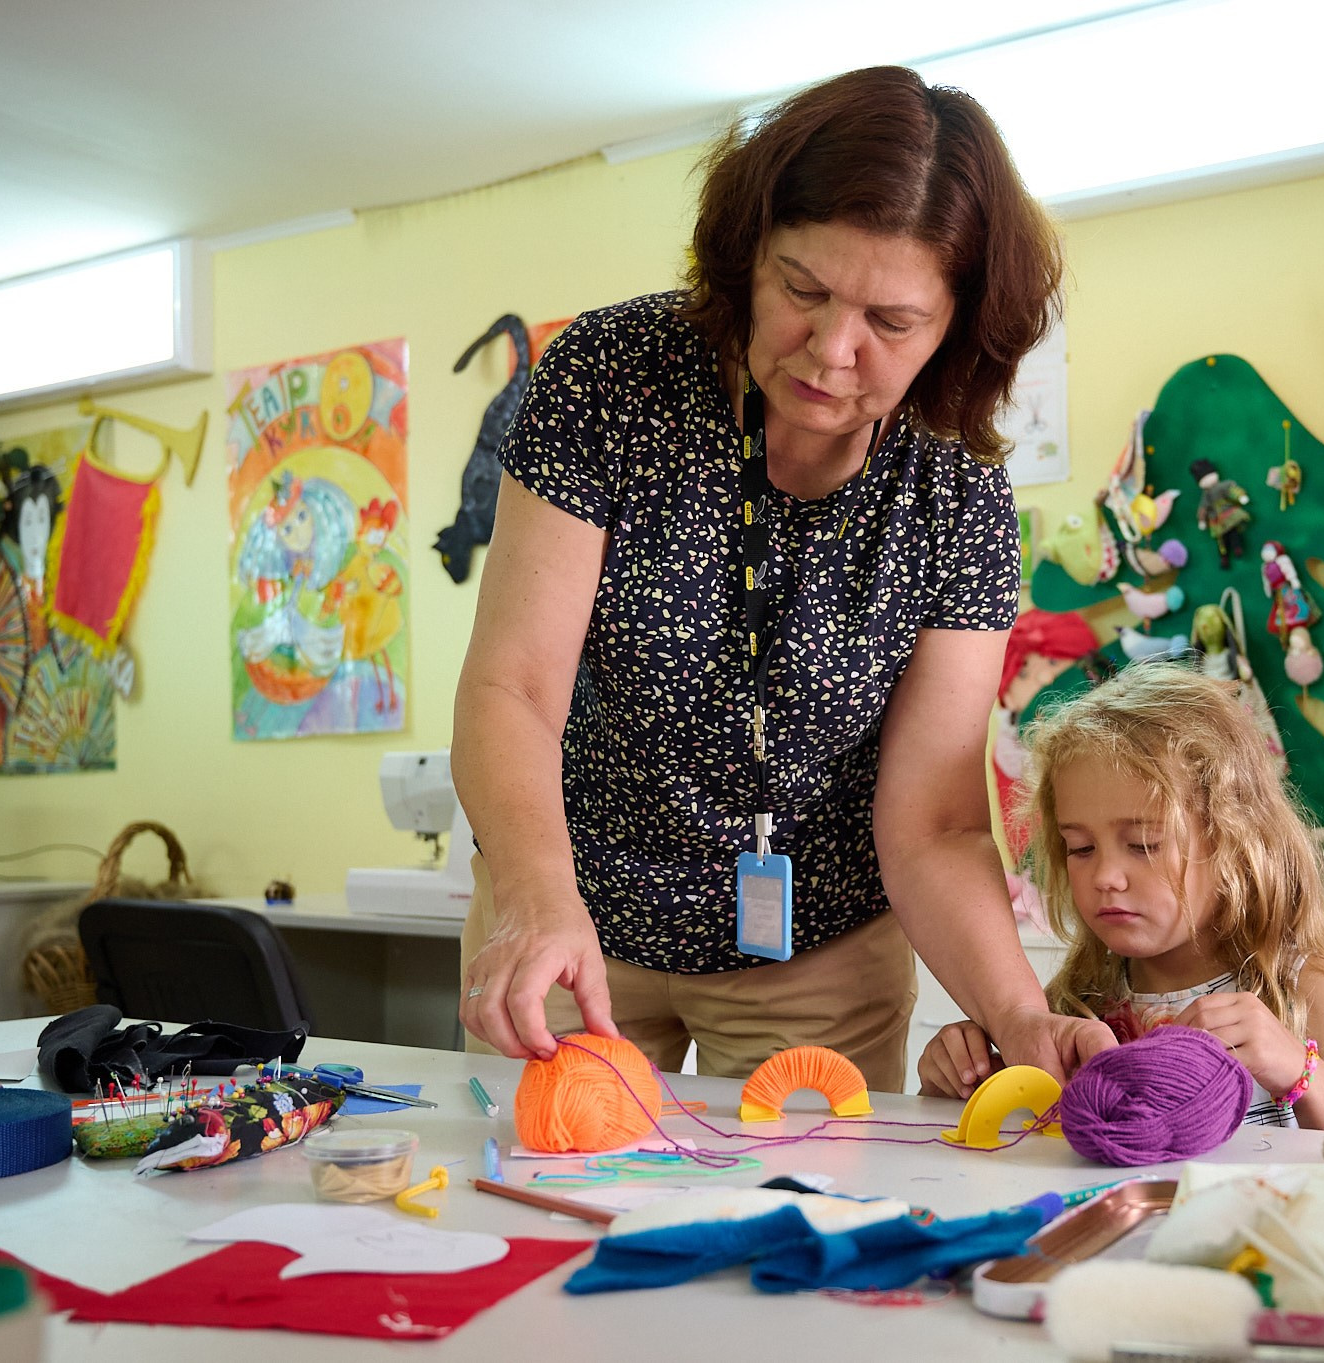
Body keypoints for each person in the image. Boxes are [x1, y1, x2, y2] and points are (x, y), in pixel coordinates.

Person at [454, 65, 1114, 1093]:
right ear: (747, 253)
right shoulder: (608, 376)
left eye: (890, 322)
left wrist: (1022, 1017)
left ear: (955, 328)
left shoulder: (956, 489)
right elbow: (513, 687)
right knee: (532, 1173)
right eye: (802, 289)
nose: (831, 350)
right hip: (567, 911)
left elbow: (936, 820)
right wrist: (536, 897)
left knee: (803, 1185)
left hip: (816, 950)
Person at [919, 664, 1324, 1129]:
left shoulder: (1305, 988)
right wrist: (958, 1082)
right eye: (1081, 848)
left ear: (1235, 842)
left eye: (1144, 845)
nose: (1106, 876)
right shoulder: (1075, 1007)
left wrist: (1300, 1072)